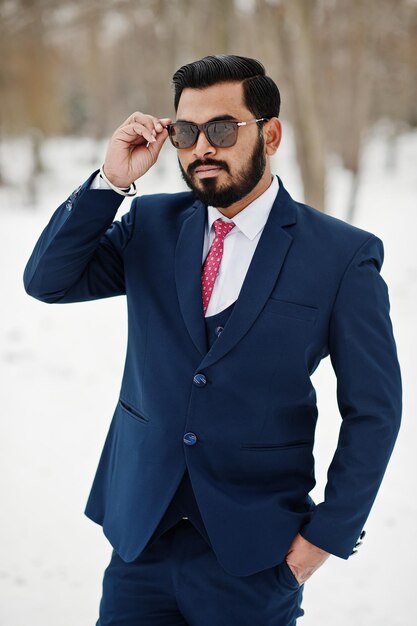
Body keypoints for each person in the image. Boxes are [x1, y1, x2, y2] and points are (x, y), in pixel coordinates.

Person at [23, 55, 402, 626]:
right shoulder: (149, 225)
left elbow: (374, 410)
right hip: (140, 544)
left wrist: (325, 538)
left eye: (222, 129)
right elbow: (46, 281)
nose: (202, 147)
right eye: (185, 131)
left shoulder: (341, 256)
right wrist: (111, 183)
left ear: (269, 134)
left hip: (255, 558)